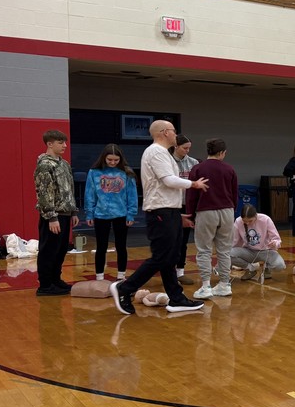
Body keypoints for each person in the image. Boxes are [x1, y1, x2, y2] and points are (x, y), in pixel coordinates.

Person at [108, 120, 209, 316]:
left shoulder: (163, 153)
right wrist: (193, 184)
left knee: (169, 257)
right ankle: (125, 288)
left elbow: (162, 188)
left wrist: (175, 213)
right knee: (162, 257)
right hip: (160, 212)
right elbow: (168, 181)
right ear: (164, 133)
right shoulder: (156, 152)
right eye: (173, 131)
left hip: (167, 211)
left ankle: (177, 298)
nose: (175, 134)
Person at [186, 138, 238, 299]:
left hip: (206, 211)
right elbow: (235, 193)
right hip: (227, 211)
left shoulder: (197, 168)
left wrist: (190, 214)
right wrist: (231, 210)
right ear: (223, 153)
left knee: (204, 250)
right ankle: (224, 284)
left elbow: (191, 194)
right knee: (224, 251)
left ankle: (206, 286)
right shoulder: (229, 169)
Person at [34, 129, 79, 296]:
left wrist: (73, 211)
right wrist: (51, 216)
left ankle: (55, 279)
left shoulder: (64, 164)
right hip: (53, 216)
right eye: (61, 143)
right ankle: (45, 285)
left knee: (60, 249)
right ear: (49, 144)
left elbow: (69, 189)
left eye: (65, 142)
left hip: (66, 213)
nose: (65, 146)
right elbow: (44, 192)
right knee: (49, 250)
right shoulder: (45, 165)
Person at [84, 143, 138, 282]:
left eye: (116, 160)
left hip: (121, 214)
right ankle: (99, 277)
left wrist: (131, 213)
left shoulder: (127, 173)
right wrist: (89, 213)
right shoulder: (94, 172)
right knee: (101, 247)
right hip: (101, 214)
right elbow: (89, 194)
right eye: (110, 160)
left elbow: (132, 195)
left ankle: (121, 276)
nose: (113, 163)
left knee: (121, 246)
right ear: (104, 158)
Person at [170, 134, 199, 284]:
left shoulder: (193, 163)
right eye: (184, 148)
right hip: (171, 205)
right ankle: (168, 271)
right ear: (176, 147)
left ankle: (180, 272)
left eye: (189, 148)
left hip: (187, 205)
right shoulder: (167, 161)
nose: (187, 151)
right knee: (171, 240)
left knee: (183, 240)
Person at [231, 204, 285, 279]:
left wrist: (275, 243)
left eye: (250, 221)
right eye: (244, 221)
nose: (247, 223)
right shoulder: (238, 221)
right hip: (248, 251)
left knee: (280, 265)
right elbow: (235, 241)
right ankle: (250, 269)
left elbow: (276, 239)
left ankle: (267, 268)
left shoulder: (265, 219)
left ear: (256, 216)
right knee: (227, 254)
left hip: (266, 251)